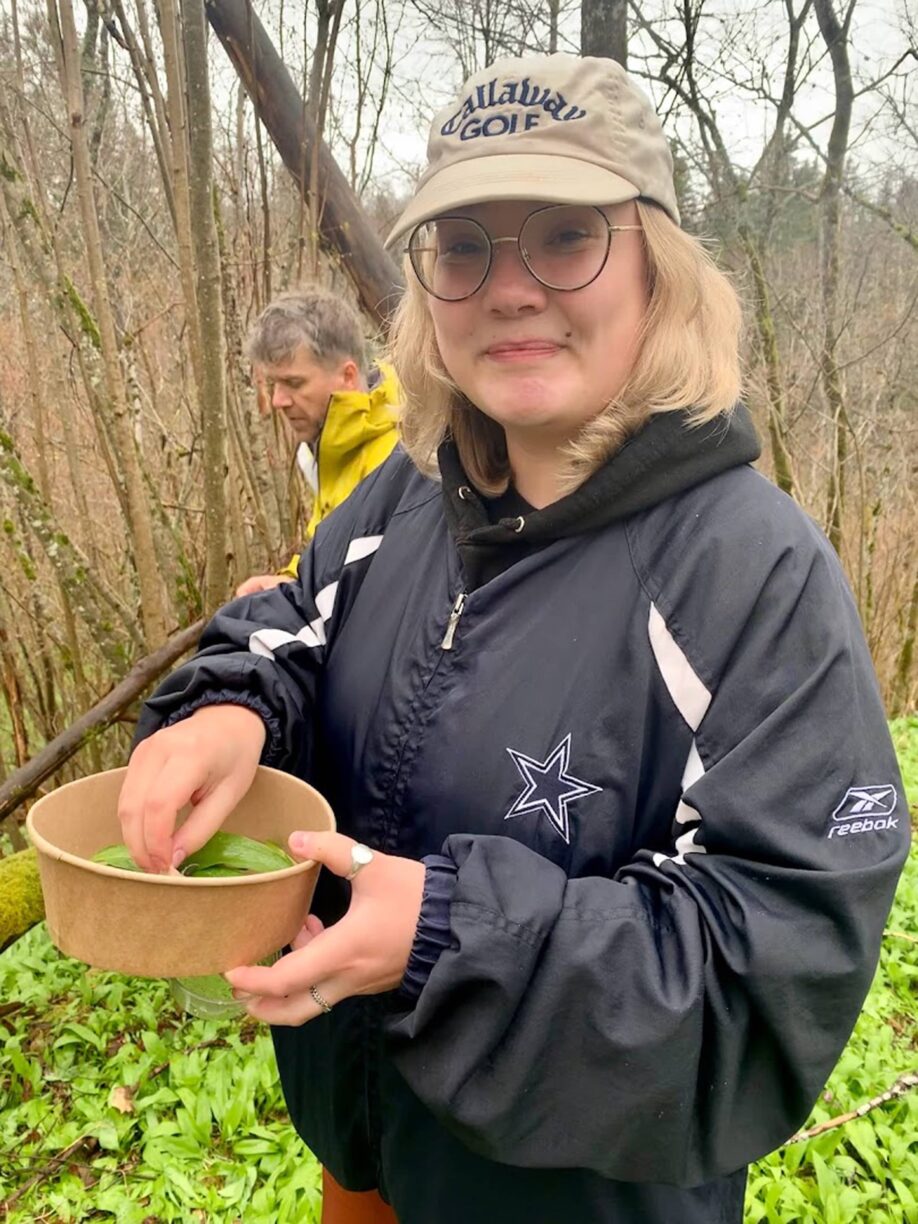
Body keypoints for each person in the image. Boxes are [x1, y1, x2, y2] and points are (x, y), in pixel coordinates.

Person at [118, 53, 908, 1224]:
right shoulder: (408, 493)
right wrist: (230, 705)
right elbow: (294, 617)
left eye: (564, 237)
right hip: (367, 1146)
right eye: (465, 247)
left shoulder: (753, 569)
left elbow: (770, 972)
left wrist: (444, 934)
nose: (511, 288)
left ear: (659, 270)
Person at [236, 288, 399, 597]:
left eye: (294, 383)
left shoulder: (401, 456)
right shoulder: (324, 446)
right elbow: (331, 554)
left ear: (348, 376)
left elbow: (377, 592)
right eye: (274, 384)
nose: (278, 401)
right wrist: (289, 581)